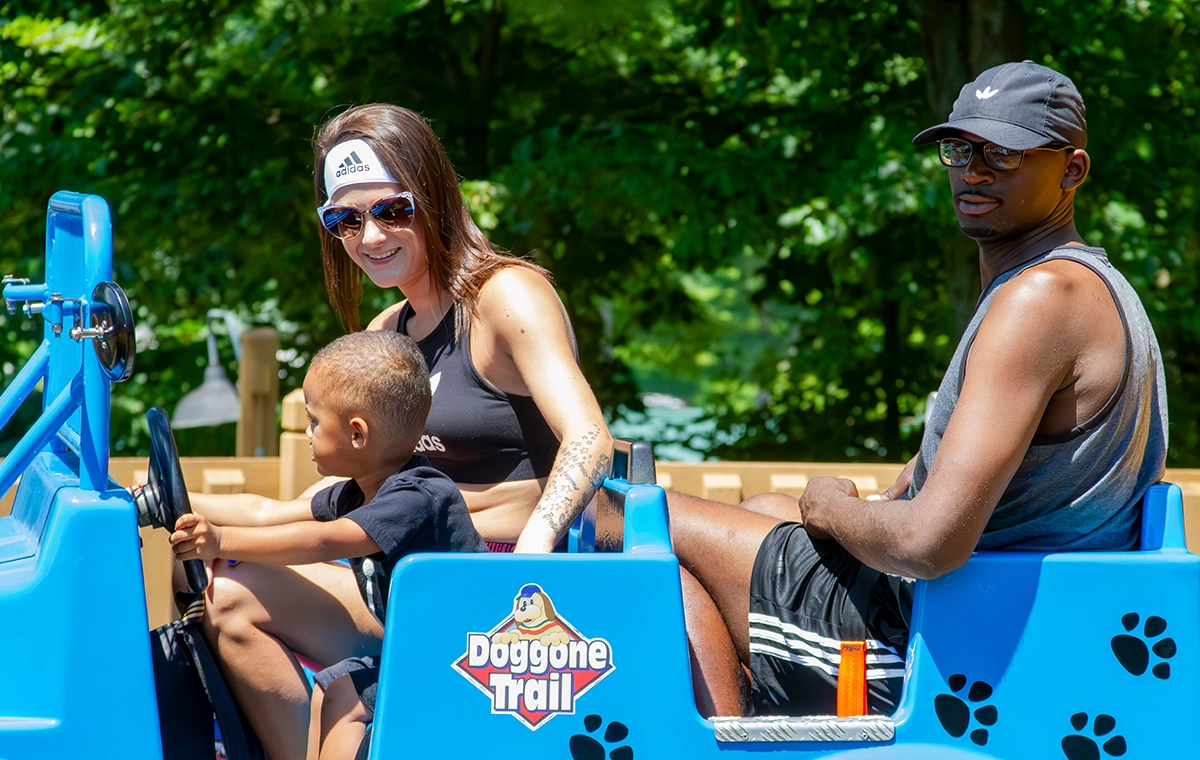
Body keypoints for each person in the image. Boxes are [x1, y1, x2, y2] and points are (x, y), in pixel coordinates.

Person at [672, 61, 1168, 718]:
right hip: (1001, 612)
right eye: (960, 148)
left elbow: (928, 544)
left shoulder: (1043, 299)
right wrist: (842, 510)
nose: (975, 170)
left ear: (1072, 170)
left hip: (944, 640)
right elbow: (931, 487)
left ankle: (710, 742)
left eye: (1006, 153)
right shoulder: (1086, 288)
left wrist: (827, 507)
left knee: (640, 517)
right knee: (765, 504)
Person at [184, 103, 612, 760]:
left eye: (392, 210)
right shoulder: (388, 333)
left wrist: (534, 549)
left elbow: (589, 439)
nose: (369, 235)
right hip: (403, 580)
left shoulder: (505, 298)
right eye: (345, 219)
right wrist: (167, 507)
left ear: (434, 198)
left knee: (238, 590)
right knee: (225, 594)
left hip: (504, 593)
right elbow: (332, 509)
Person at [171, 330, 487, 760]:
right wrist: (165, 498)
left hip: (468, 663)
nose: (308, 432)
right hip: (421, 647)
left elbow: (326, 540)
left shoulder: (418, 495)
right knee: (334, 685)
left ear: (358, 434)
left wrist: (222, 541)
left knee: (348, 700)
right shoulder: (363, 487)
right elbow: (266, 511)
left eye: (315, 421)